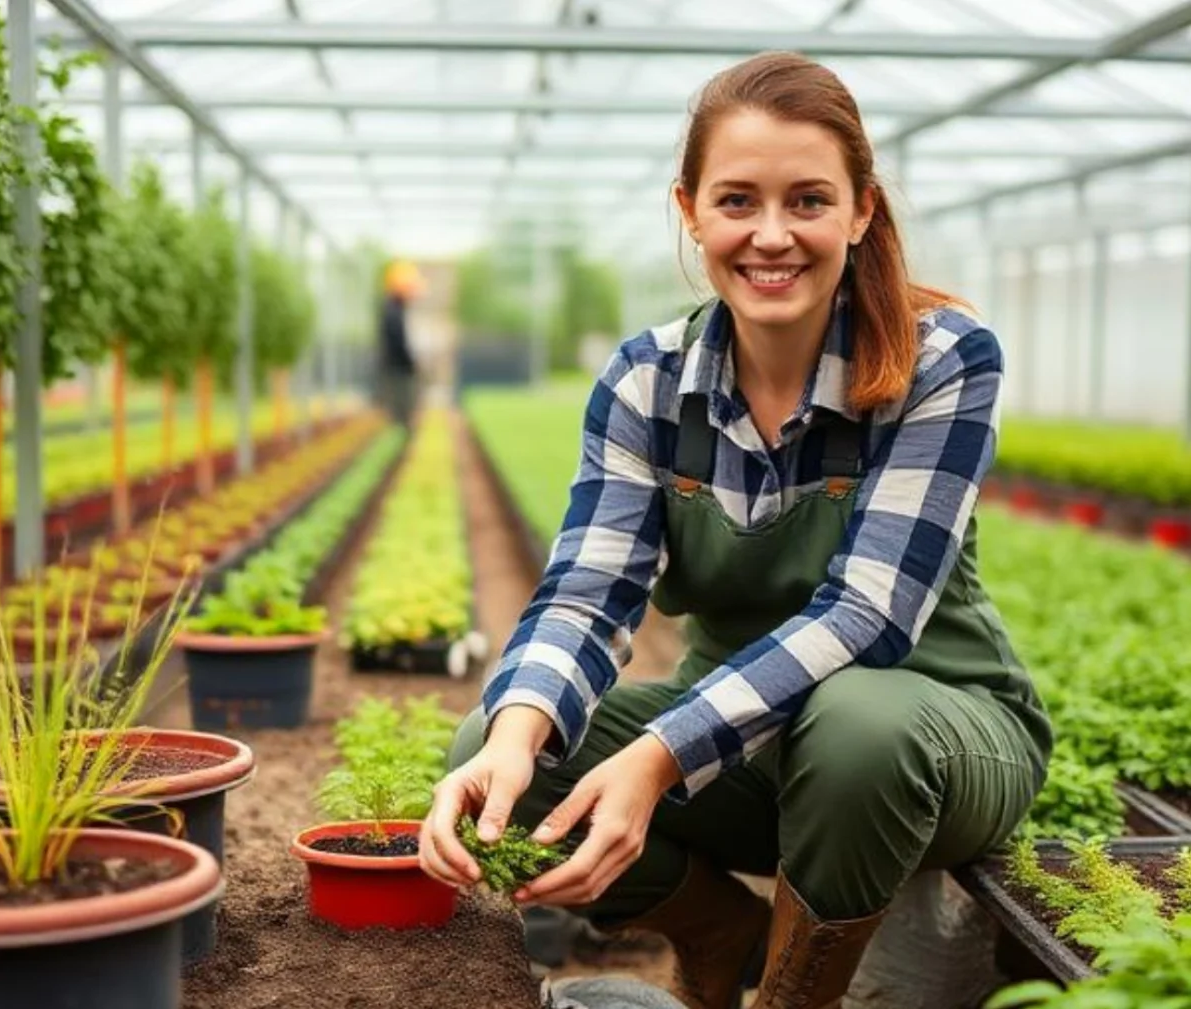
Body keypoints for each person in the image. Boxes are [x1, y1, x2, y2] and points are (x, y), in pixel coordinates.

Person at [423, 52, 1052, 1009]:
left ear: (860, 210)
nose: (771, 235)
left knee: (856, 726)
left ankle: (792, 998)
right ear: (690, 210)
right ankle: (717, 928)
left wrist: (658, 754)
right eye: (737, 201)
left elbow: (868, 616)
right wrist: (516, 733)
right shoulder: (649, 381)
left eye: (807, 200)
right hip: (746, 750)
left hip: (934, 742)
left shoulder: (940, 359)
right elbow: (588, 594)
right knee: (496, 747)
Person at [377, 259, 423, 426]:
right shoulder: (393, 311)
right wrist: (411, 362)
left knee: (402, 413)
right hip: (398, 369)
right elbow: (398, 343)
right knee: (401, 414)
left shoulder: (395, 308)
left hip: (397, 367)